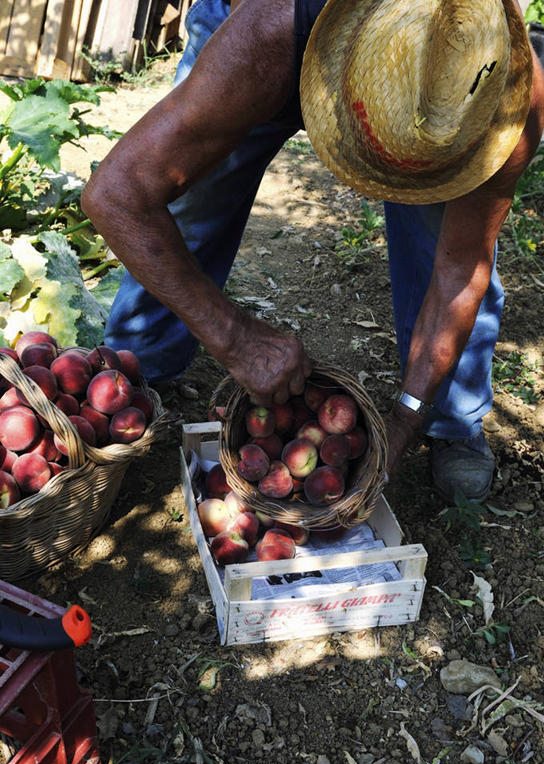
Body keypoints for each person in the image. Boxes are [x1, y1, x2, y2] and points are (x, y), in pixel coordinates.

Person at [81, 0, 544, 502]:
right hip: (274, 38)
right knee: (193, 206)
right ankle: (140, 367)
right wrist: (234, 338)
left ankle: (450, 417)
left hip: (433, 101)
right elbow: (115, 196)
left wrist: (404, 421)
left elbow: (461, 268)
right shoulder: (266, 36)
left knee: (440, 243)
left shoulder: (504, 102)